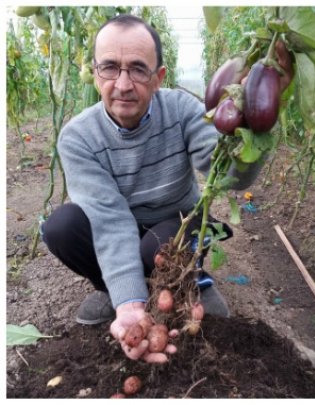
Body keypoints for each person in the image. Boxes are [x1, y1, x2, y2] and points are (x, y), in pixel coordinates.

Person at [41, 14, 262, 363]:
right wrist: (128, 305)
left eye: (138, 69)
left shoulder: (182, 110)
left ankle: (191, 282)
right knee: (61, 227)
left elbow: (226, 175)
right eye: (110, 68)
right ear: (96, 72)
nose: (123, 84)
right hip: (118, 225)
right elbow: (109, 221)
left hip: (176, 219)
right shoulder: (78, 137)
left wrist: (256, 127)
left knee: (153, 250)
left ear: (159, 77)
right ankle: (116, 290)